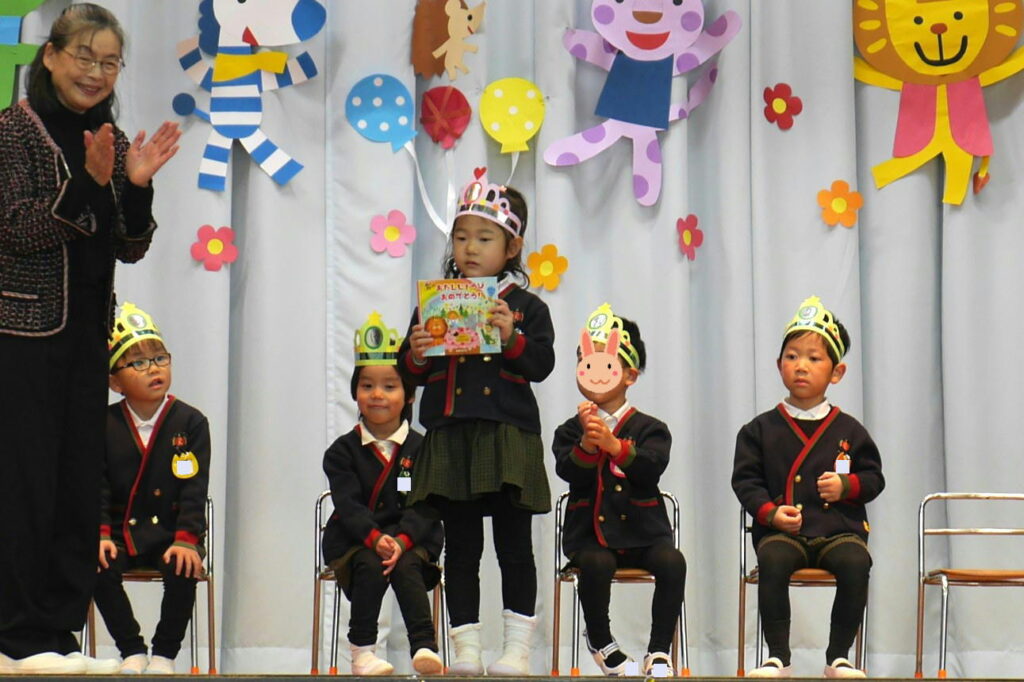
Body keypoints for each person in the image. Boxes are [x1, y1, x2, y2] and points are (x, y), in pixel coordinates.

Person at [0, 4, 179, 675]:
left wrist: (136, 186)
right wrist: (90, 185)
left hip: (85, 340)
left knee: (77, 485)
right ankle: (14, 636)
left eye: (110, 62)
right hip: (22, 335)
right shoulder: (12, 133)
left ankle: (55, 633)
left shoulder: (112, 137)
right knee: (25, 484)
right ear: (50, 56)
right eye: (84, 56)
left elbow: (130, 244)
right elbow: (16, 229)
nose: (96, 72)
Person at [398, 168, 554, 676]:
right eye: (461, 237)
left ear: (512, 248)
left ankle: (517, 650)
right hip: (451, 435)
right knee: (462, 548)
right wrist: (417, 352)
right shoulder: (435, 302)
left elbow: (542, 365)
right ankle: (465, 648)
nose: (469, 248)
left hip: (507, 437)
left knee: (514, 547)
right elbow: (408, 372)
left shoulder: (526, 307)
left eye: (484, 238)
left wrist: (513, 338)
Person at [732, 296, 884, 679]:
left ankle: (838, 657)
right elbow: (746, 481)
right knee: (772, 559)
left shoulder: (850, 429)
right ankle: (778, 657)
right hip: (784, 532)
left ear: (837, 372)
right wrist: (770, 514)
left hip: (838, 530)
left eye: (814, 359)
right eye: (792, 356)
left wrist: (847, 485)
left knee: (856, 562)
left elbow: (874, 478)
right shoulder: (758, 429)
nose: (801, 366)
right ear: (778, 364)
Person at [552, 305, 686, 677]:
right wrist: (586, 445)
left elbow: (652, 468)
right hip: (589, 535)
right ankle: (601, 641)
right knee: (595, 564)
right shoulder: (569, 430)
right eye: (585, 361)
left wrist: (615, 446)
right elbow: (567, 471)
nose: (593, 371)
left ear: (630, 374)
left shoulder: (652, 428)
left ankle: (659, 649)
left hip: (644, 532)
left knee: (673, 562)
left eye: (605, 362)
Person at [321, 312, 445, 676]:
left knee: (406, 566)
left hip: (411, 539)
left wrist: (402, 540)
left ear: (409, 395)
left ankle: (424, 646)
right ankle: (362, 652)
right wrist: (375, 539)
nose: (377, 395)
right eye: (367, 386)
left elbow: (426, 504)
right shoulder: (340, 452)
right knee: (371, 565)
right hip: (357, 540)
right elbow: (348, 505)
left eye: (389, 386)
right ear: (355, 393)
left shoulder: (424, 449)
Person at [93, 303, 210, 675]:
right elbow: (97, 488)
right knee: (93, 564)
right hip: (120, 534)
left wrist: (187, 539)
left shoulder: (191, 422)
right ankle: (131, 649)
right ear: (115, 382)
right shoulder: (103, 423)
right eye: (139, 363)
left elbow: (194, 488)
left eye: (160, 358)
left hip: (170, 533)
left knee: (183, 567)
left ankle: (164, 654)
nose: (154, 368)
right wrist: (101, 534)